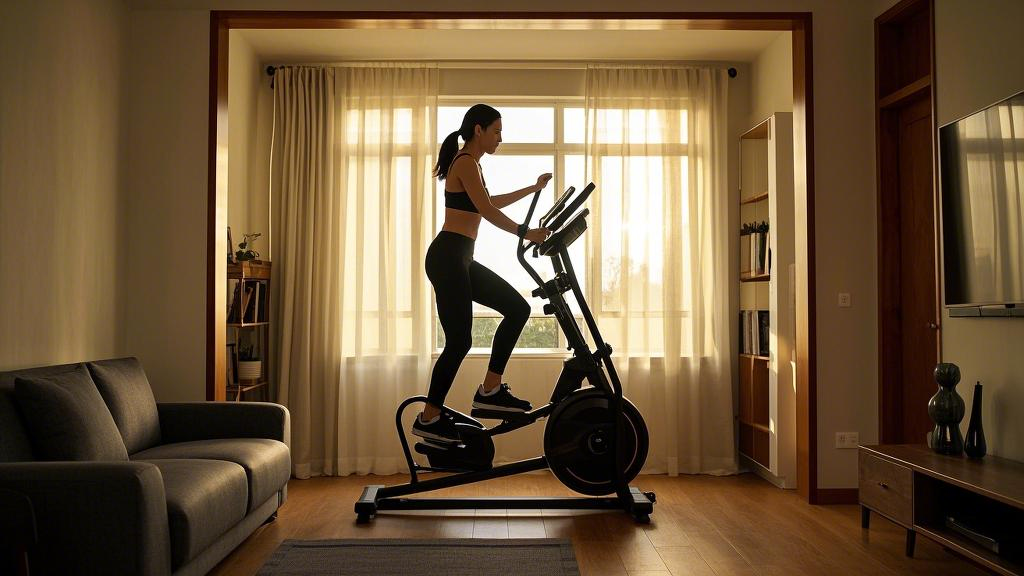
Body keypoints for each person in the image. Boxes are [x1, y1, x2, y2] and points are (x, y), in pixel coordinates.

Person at [412, 104, 552, 444]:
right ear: (479, 130)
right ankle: (429, 418)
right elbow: (487, 210)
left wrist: (531, 190)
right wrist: (526, 232)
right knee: (459, 341)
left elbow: (487, 201)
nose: (500, 138)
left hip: (460, 257)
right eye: (497, 131)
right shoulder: (464, 162)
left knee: (517, 309)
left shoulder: (471, 165)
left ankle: (490, 389)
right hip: (448, 257)